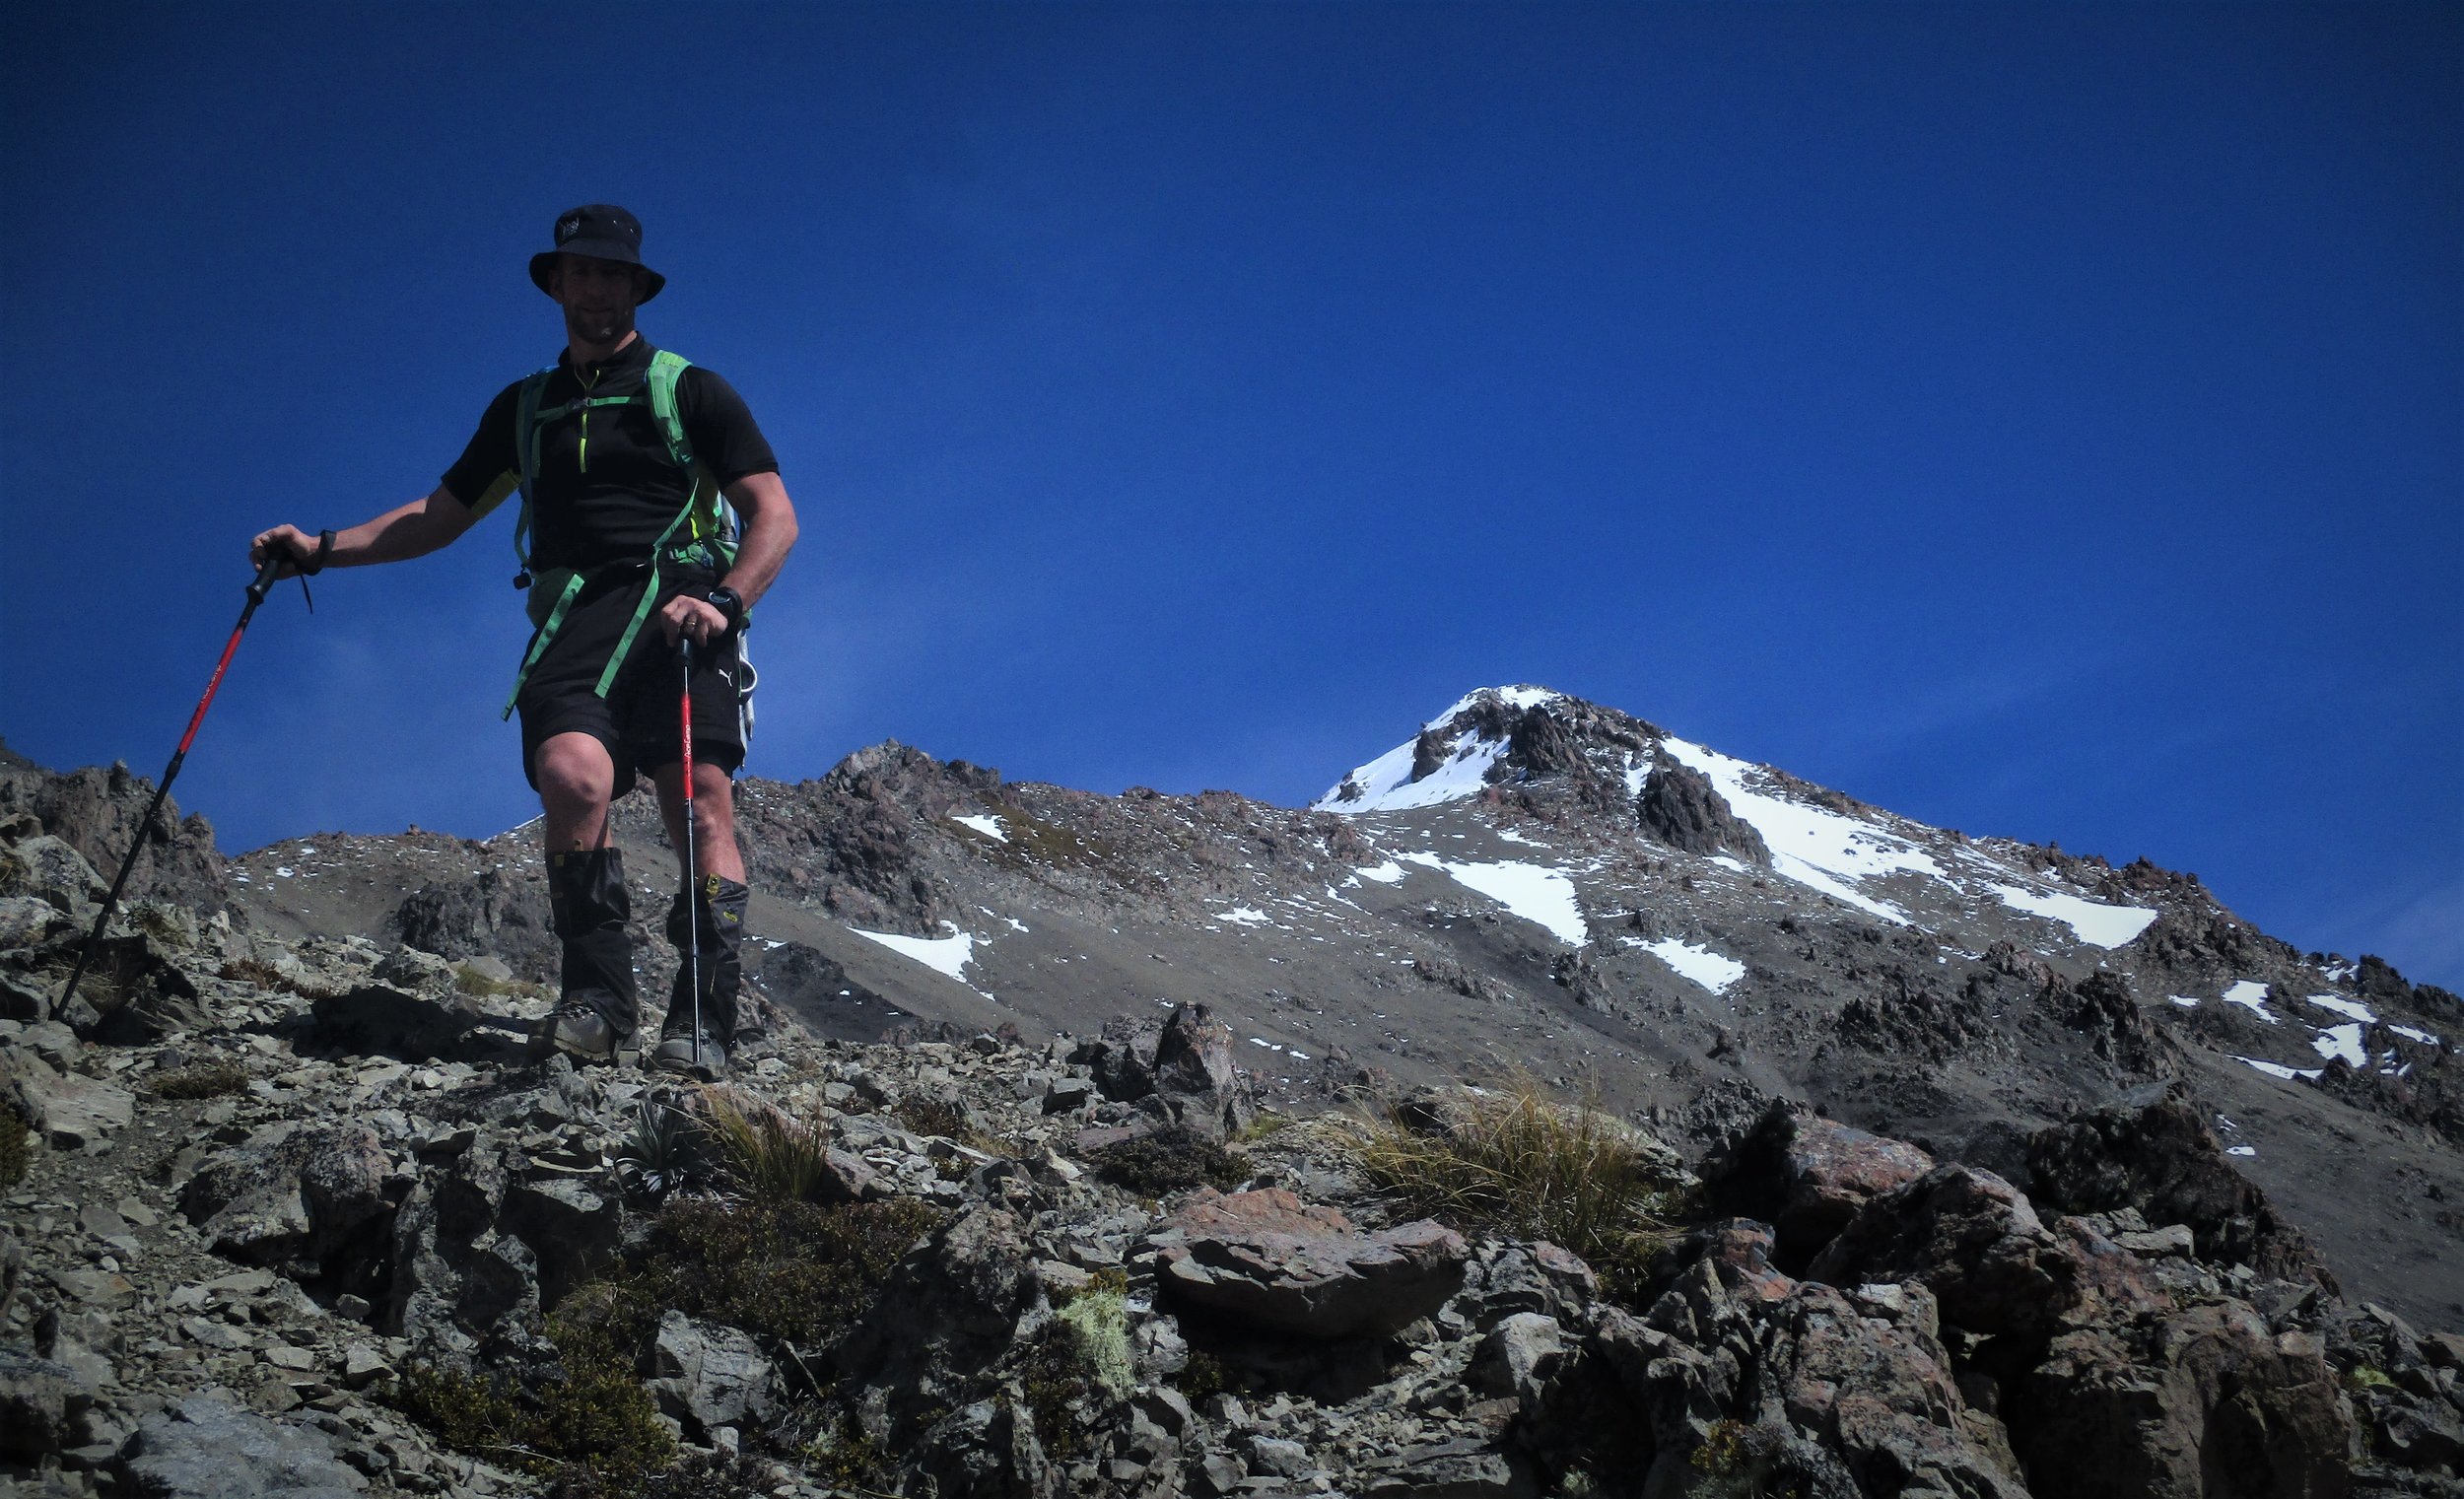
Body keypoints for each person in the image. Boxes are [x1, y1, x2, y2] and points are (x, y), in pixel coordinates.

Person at [251, 204, 797, 1079]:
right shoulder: (524, 410)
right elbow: (437, 516)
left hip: (682, 608)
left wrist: (727, 600)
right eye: (581, 272)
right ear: (557, 284)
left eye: (612, 274)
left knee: (699, 796)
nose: (596, 289)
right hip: (575, 619)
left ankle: (701, 1018)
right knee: (570, 775)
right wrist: (319, 551)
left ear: (634, 287)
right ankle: (598, 1000)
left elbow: (773, 512)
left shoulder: (691, 390)